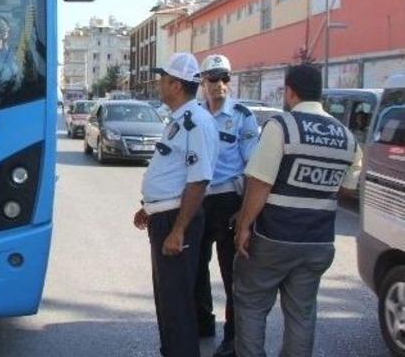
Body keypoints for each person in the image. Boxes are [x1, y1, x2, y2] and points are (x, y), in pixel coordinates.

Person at [232, 64, 362, 357]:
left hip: (274, 238)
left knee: (251, 306)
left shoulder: (282, 126)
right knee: (302, 315)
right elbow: (349, 186)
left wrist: (243, 227)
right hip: (318, 241)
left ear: (289, 91)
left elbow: (259, 183)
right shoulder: (347, 136)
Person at [133, 52, 219, 357]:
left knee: (177, 303)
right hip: (165, 217)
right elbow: (173, 172)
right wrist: (150, 207)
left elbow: (199, 181)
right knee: (168, 301)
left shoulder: (195, 122)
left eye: (163, 79)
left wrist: (179, 230)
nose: (159, 84)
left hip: (176, 221)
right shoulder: (180, 120)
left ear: (175, 84)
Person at [194, 54, 259, 357]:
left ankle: (232, 338)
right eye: (213, 79)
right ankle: (202, 322)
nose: (220, 85)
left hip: (228, 201)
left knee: (232, 275)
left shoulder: (243, 116)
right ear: (202, 82)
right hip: (197, 200)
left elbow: (253, 165)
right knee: (194, 267)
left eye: (225, 79)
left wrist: (244, 210)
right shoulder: (193, 114)